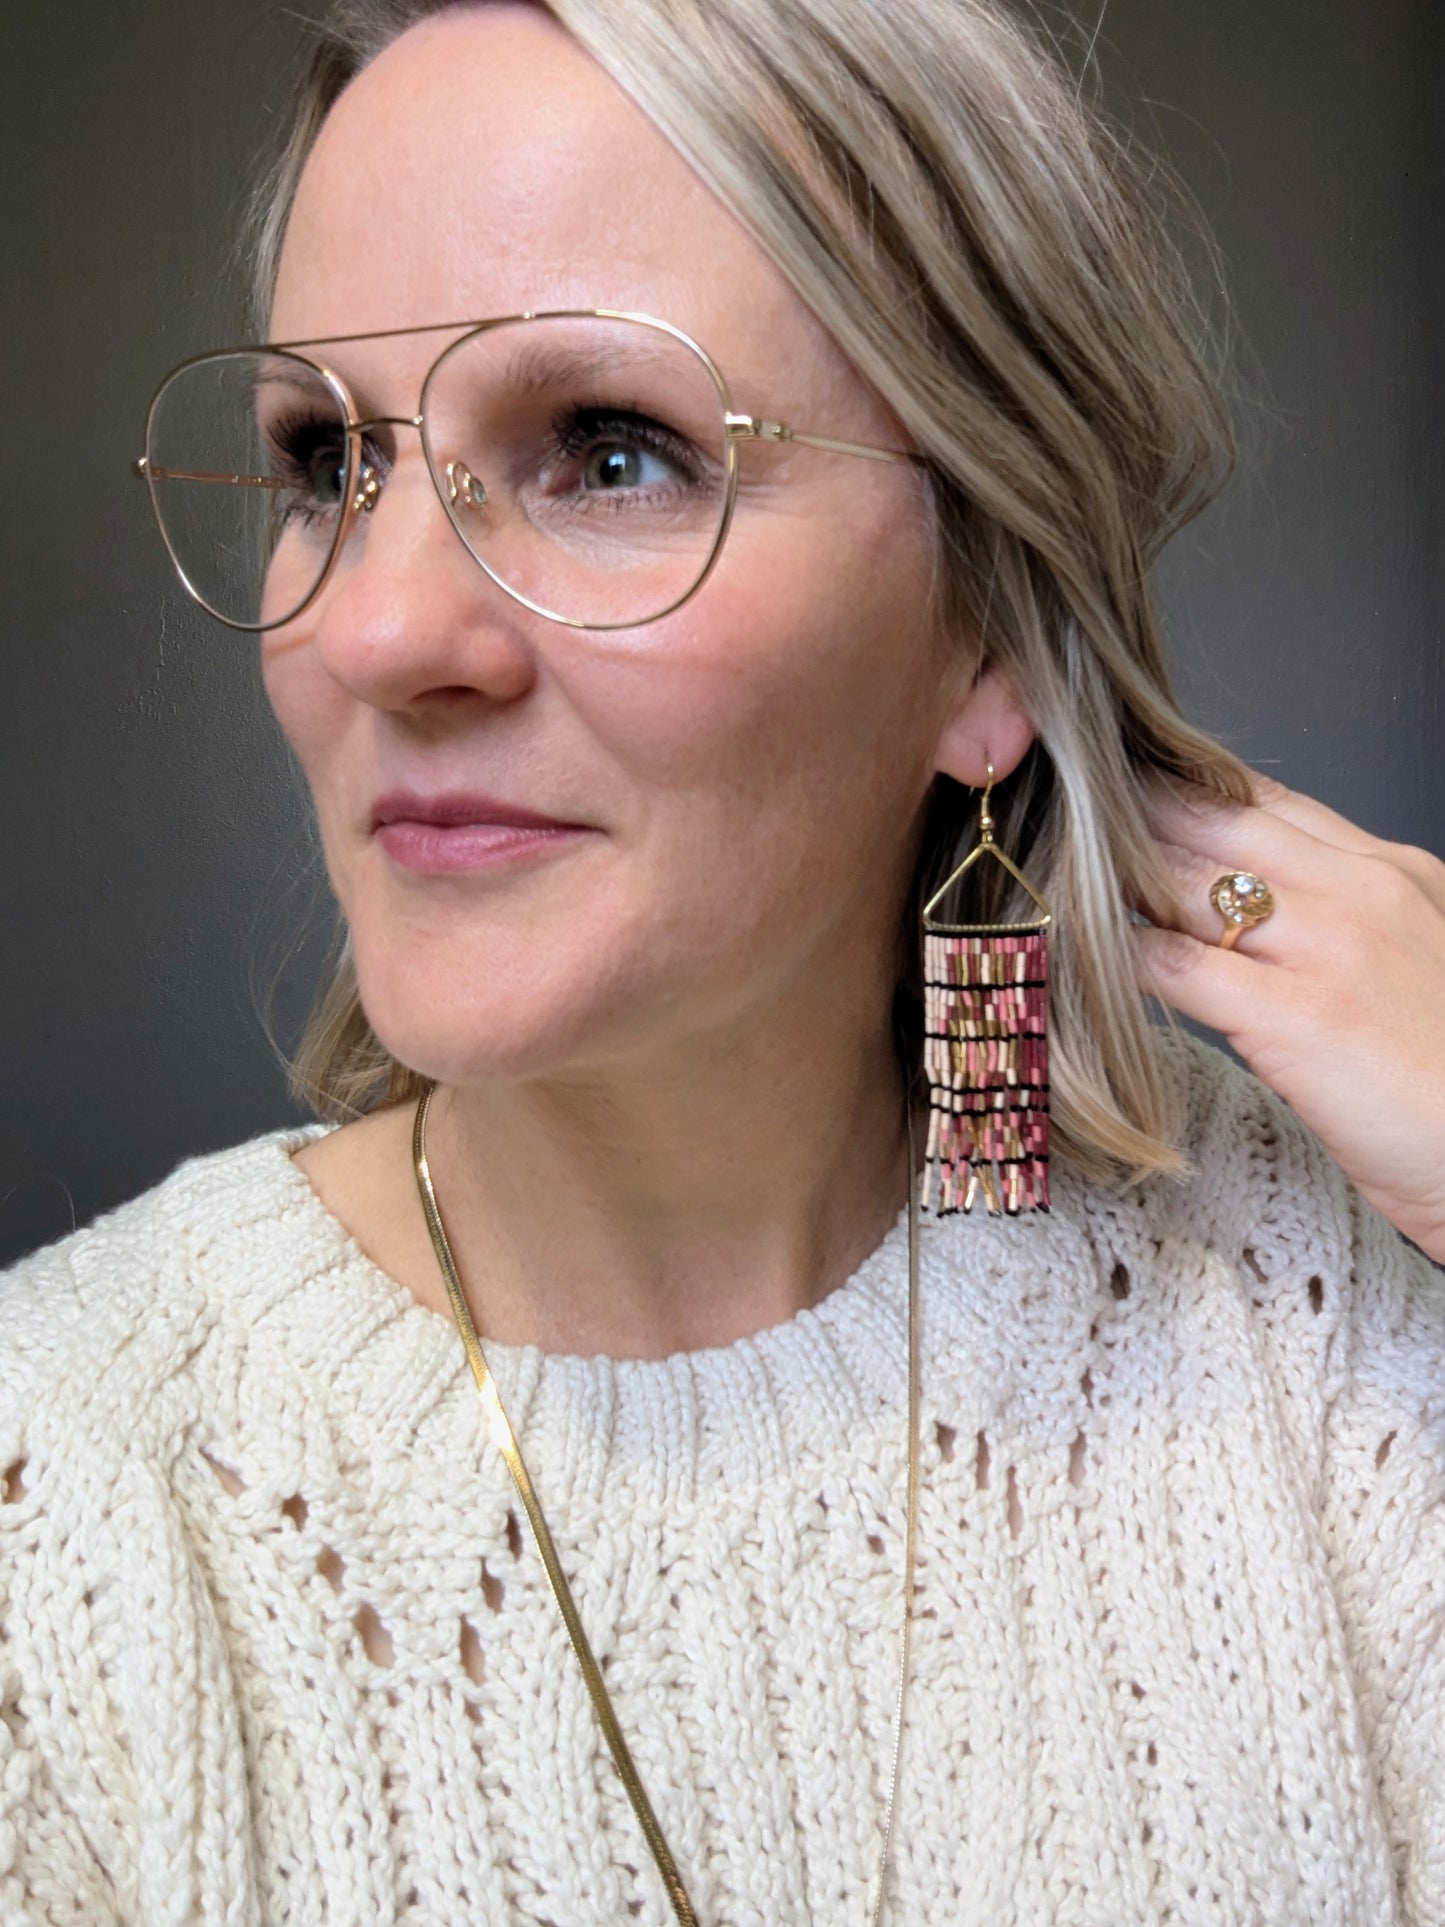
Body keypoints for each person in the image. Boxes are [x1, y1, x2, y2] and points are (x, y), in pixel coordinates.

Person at [2, 1, 1442, 1920]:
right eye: (329, 459)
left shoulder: (1332, 1323)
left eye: (611, 452)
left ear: (987, 629)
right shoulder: (65, 1512)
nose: (377, 633)